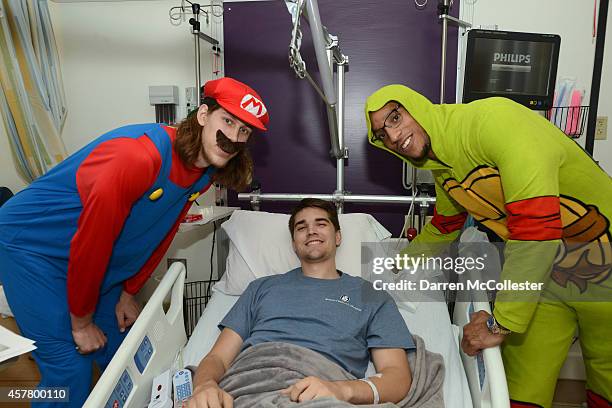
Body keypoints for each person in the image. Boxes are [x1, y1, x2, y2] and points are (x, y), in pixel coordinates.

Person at [0, 76, 269, 407]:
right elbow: (93, 240)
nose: (233, 138)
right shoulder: (138, 157)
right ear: (202, 115)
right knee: (70, 368)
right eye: (227, 121)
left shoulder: (203, 175)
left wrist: (129, 292)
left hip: (91, 261)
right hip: (32, 247)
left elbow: (163, 230)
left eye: (244, 132)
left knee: (129, 347)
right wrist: (81, 322)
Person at [364, 84, 612, 408]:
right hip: (543, 274)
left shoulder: (494, 122)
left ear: (417, 105)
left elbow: (536, 230)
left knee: (607, 380)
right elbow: (445, 226)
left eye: (395, 117)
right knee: (521, 389)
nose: (394, 137)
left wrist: (499, 322)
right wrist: (392, 267)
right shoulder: (442, 167)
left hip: (602, 259)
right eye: (383, 134)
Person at [188, 198, 414, 407]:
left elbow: (397, 376)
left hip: (320, 391)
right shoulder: (261, 287)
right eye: (301, 227)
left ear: (338, 237)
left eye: (321, 223)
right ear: (294, 244)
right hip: (248, 387)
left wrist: (341, 390)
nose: (311, 231)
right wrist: (205, 385)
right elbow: (218, 357)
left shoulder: (371, 295)